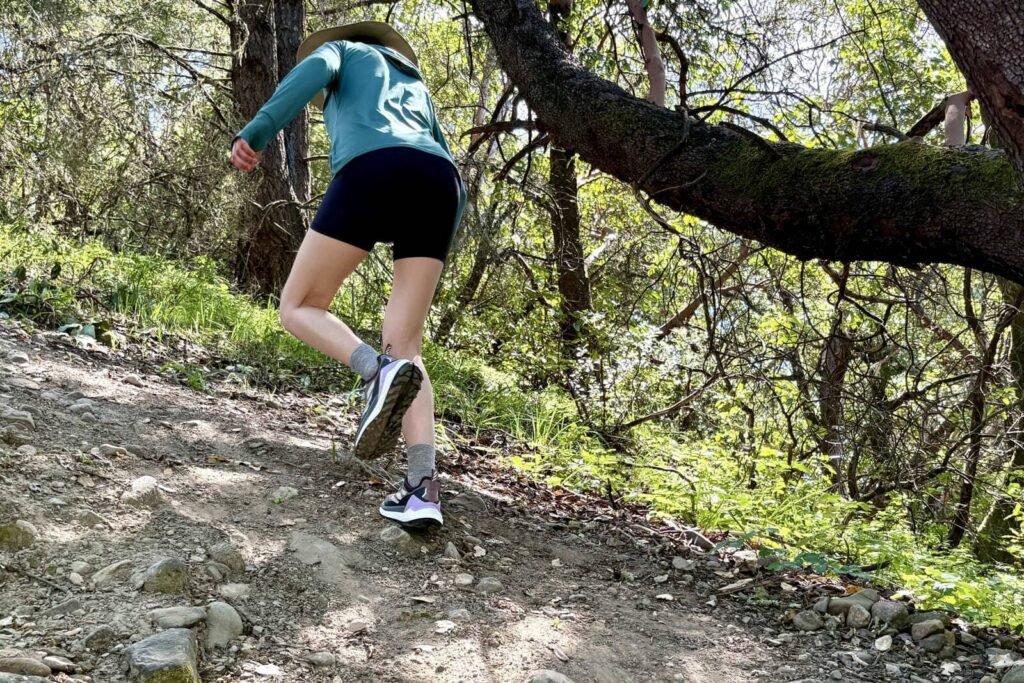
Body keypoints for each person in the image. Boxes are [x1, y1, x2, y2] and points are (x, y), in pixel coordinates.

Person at [229, 21, 467, 528]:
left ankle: (374, 372)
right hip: (439, 184)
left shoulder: (342, 52)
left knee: (298, 306)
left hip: (374, 169)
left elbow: (308, 74)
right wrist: (445, 226)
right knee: (407, 344)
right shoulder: (416, 85)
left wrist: (259, 130)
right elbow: (442, 153)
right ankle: (422, 489)